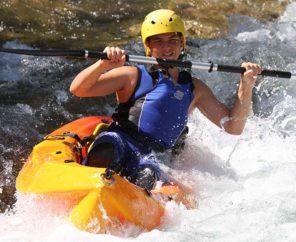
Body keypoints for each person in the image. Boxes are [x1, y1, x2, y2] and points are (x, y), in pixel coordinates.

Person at [69, 9, 261, 197]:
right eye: (158, 41)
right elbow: (78, 89)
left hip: (150, 157)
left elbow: (233, 126)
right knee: (106, 150)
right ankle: (88, 193)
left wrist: (246, 85)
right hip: (121, 140)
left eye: (173, 40)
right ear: (148, 46)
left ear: (182, 44)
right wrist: (102, 65)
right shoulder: (131, 75)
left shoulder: (195, 88)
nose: (166, 47)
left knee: (150, 177)